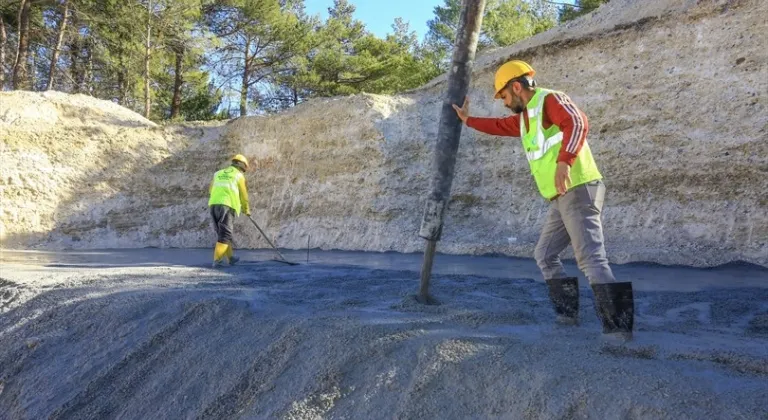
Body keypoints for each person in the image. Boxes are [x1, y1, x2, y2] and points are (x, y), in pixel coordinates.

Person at [452, 60, 634, 340]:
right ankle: (567, 316)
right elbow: (498, 126)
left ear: (516, 86)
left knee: (591, 259)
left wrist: (565, 162)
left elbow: (577, 121)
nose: (503, 102)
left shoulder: (550, 99)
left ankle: (618, 331)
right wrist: (467, 120)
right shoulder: (526, 118)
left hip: (579, 186)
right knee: (545, 255)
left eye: (503, 96)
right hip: (561, 197)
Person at [208, 154, 251, 268]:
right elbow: (244, 195)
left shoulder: (218, 173)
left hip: (213, 204)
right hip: (227, 205)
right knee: (225, 233)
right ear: (242, 166)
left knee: (222, 232)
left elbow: (211, 189)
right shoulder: (238, 176)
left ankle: (231, 258)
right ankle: (217, 261)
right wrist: (246, 209)